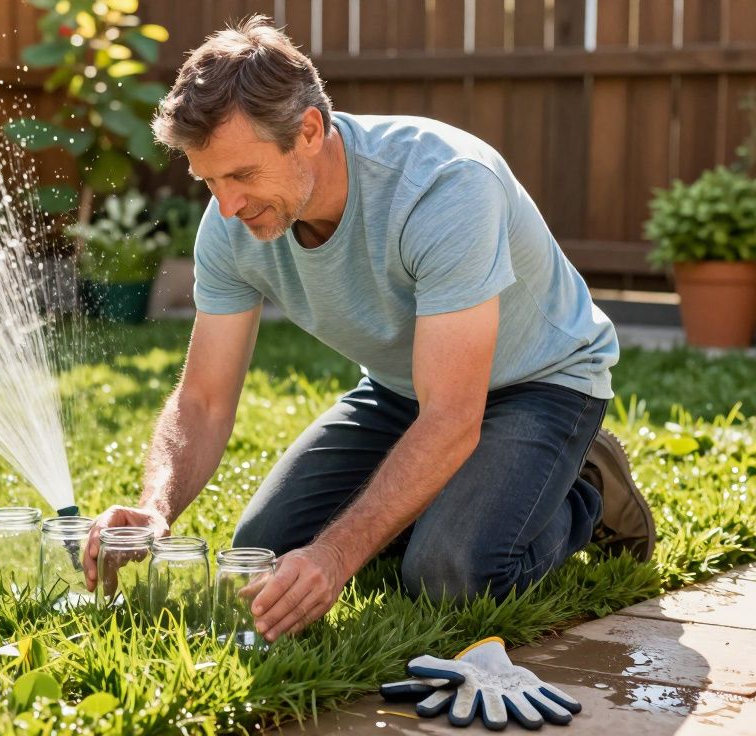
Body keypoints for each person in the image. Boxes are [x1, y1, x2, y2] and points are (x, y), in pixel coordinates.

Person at [82, 16, 655, 644]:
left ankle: (584, 491)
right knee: (264, 552)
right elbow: (203, 399)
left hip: (539, 384)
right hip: (403, 389)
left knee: (449, 575)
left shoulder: (444, 186)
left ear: (307, 131)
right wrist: (157, 505)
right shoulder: (231, 225)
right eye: (209, 180)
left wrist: (335, 556)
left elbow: (452, 416)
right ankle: (456, 499)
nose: (226, 205)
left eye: (242, 175)